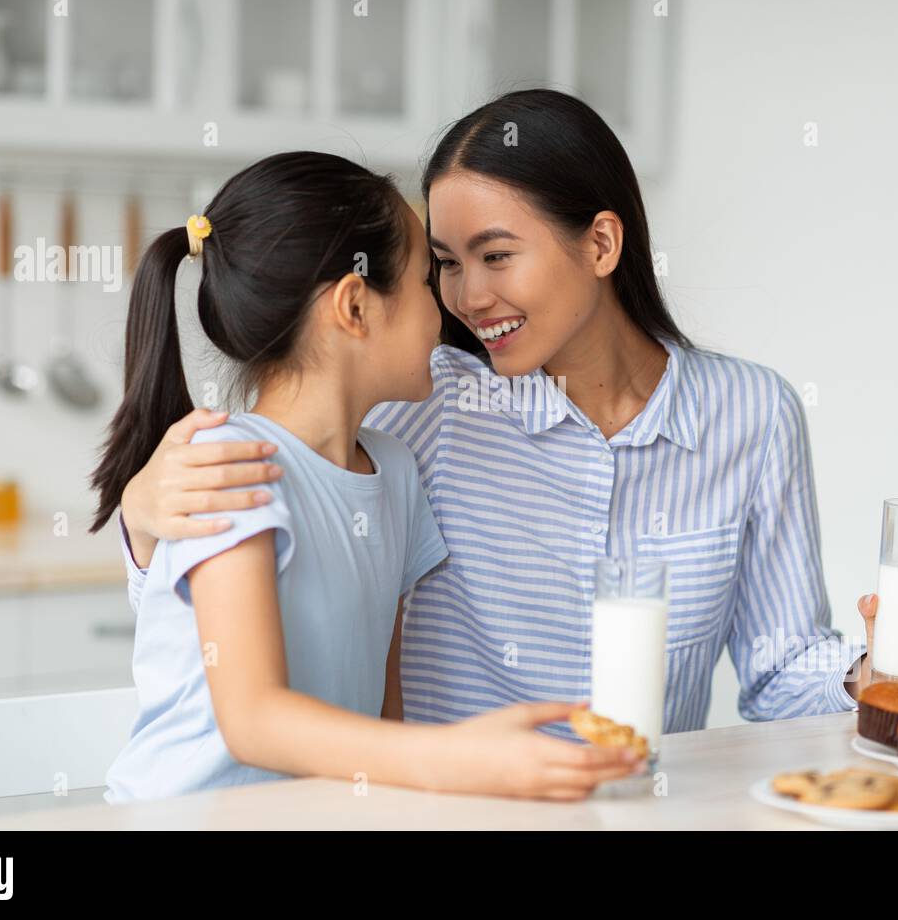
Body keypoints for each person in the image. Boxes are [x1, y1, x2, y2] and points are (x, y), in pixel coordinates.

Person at [116, 90, 898, 740]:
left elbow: (780, 672)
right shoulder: (427, 402)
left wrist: (875, 674)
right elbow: (270, 490)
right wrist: (143, 516)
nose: (465, 296)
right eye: (444, 264)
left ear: (600, 244)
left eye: (496, 256)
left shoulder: (753, 414)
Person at [90, 151, 642, 802]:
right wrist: (454, 757)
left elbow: (383, 707)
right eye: (424, 285)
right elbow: (254, 722)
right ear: (354, 307)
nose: (448, 312)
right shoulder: (230, 468)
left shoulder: (396, 471)